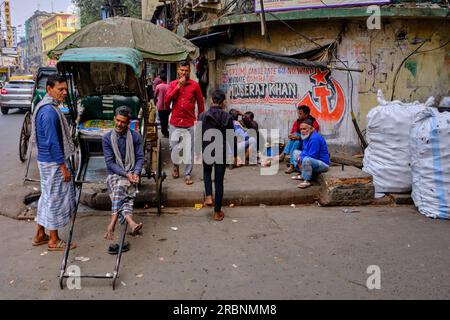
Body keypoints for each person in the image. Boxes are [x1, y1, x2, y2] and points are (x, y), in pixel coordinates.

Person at [30, 74, 77, 251]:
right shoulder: (49, 111)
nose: (64, 93)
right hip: (52, 162)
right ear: (49, 89)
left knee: (47, 198)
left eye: (65, 89)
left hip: (45, 161)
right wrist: (63, 167)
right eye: (60, 89)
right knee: (54, 200)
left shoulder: (46, 106)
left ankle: (40, 234)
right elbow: (52, 142)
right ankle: (54, 240)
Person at [102, 106, 145, 241]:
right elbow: (110, 163)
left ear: (128, 123)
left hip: (131, 172)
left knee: (121, 187)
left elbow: (140, 158)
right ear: (114, 119)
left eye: (123, 122)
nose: (119, 124)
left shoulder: (135, 136)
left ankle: (112, 223)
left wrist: (136, 173)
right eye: (117, 120)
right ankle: (130, 222)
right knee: (121, 185)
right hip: (114, 173)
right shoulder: (107, 138)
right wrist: (126, 174)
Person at [164, 61, 205, 185]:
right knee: (174, 147)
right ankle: (175, 166)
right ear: (178, 70)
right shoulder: (172, 84)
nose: (184, 72)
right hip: (175, 122)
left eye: (186, 70)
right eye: (182, 70)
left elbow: (201, 104)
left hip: (190, 123)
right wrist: (177, 87)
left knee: (189, 150)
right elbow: (166, 101)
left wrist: (199, 122)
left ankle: (187, 174)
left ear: (189, 71)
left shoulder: (195, 85)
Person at [198, 89, 234, 221]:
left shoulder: (202, 115)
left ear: (212, 100)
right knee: (219, 182)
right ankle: (217, 212)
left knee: (207, 172)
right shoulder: (227, 117)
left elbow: (198, 135)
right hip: (221, 150)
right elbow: (231, 138)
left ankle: (208, 195)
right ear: (223, 102)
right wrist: (235, 154)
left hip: (207, 148)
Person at [282, 105, 320, 174]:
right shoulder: (298, 121)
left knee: (297, 140)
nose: (298, 115)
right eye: (298, 113)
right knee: (296, 140)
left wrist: (299, 137)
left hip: (307, 143)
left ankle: (287, 159)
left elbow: (313, 136)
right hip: (299, 141)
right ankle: (289, 161)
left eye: (300, 113)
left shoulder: (313, 123)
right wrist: (291, 136)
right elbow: (293, 132)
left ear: (306, 114)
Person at [294, 119, 330, 189]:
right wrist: (300, 157)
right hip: (312, 160)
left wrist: (300, 159)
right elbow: (304, 151)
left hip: (323, 164)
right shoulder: (306, 136)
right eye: (301, 129)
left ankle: (307, 180)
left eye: (304, 129)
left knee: (306, 160)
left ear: (311, 129)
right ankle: (303, 174)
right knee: (296, 153)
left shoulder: (315, 139)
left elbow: (313, 156)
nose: (302, 131)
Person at [154, 73, 170, 137]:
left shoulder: (158, 86)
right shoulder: (168, 86)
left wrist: (155, 102)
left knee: (162, 119)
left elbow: (155, 95)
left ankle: (164, 131)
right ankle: (165, 131)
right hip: (167, 106)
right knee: (166, 119)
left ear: (161, 79)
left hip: (160, 106)